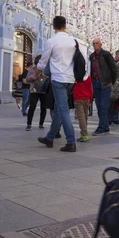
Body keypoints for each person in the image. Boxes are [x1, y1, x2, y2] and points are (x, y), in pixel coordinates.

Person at [37, 15, 77, 152]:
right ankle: (50, 137)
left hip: (58, 79)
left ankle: (71, 141)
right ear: (65, 26)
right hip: (70, 79)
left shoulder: (52, 41)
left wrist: (36, 74)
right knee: (59, 108)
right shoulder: (73, 41)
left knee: (63, 110)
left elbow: (43, 62)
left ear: (53, 26)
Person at [90, 38, 118, 135]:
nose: (95, 45)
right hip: (96, 82)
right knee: (98, 105)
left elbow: (114, 68)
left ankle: (101, 127)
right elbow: (91, 70)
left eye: (97, 43)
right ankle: (105, 127)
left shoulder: (106, 54)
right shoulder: (92, 56)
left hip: (105, 83)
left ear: (101, 44)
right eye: (93, 43)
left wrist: (112, 81)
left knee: (104, 106)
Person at [26, 55, 47, 130]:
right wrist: (33, 77)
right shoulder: (33, 69)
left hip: (44, 91)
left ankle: (41, 124)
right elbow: (27, 79)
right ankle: (29, 124)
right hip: (34, 91)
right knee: (32, 107)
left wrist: (46, 76)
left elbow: (50, 78)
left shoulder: (46, 69)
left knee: (43, 108)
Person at [108, 49, 119, 126]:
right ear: (116, 54)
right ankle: (109, 118)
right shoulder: (111, 62)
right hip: (112, 85)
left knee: (118, 102)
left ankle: (116, 118)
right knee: (110, 102)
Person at [74, 73, 93, 142]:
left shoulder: (75, 76)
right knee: (85, 117)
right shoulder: (88, 76)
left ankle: (84, 134)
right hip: (87, 98)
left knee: (81, 117)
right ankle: (84, 133)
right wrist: (90, 100)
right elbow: (90, 88)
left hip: (78, 98)